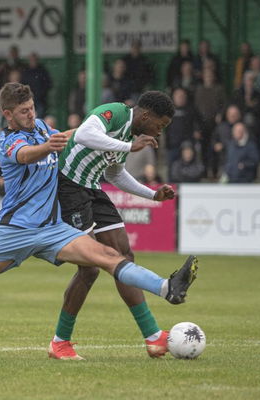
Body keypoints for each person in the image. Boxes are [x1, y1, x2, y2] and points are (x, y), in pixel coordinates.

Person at [0, 83, 198, 357]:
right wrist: (49, 145)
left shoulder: (44, 128)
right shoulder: (8, 141)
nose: (31, 115)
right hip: (13, 232)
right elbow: (24, 155)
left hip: (52, 229)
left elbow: (73, 136)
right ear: (8, 115)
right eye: (23, 112)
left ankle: (166, 288)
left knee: (107, 257)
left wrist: (75, 135)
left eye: (32, 108)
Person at [53, 90, 181, 360]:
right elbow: (84, 135)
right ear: (146, 115)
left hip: (92, 189)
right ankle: (60, 343)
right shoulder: (117, 113)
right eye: (160, 125)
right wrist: (128, 147)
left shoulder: (129, 135)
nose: (158, 132)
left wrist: (152, 194)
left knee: (124, 256)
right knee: (89, 269)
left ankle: (153, 337)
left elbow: (114, 173)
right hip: (69, 188)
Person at [21, 52, 52, 118]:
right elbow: (22, 85)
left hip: (40, 100)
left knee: (39, 118)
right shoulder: (26, 71)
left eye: (34, 59)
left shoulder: (42, 70)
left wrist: (41, 94)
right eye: (31, 60)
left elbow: (48, 84)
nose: (33, 61)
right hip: (27, 100)